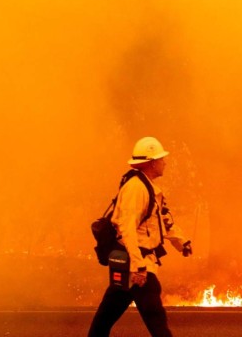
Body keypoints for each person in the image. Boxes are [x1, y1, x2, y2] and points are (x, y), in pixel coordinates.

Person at [88, 136, 192, 337]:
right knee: (157, 321)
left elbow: (162, 220)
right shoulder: (136, 188)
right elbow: (127, 228)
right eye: (161, 159)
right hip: (137, 266)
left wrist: (182, 242)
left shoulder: (148, 188)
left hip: (130, 264)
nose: (165, 163)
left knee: (105, 317)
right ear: (152, 163)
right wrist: (138, 267)